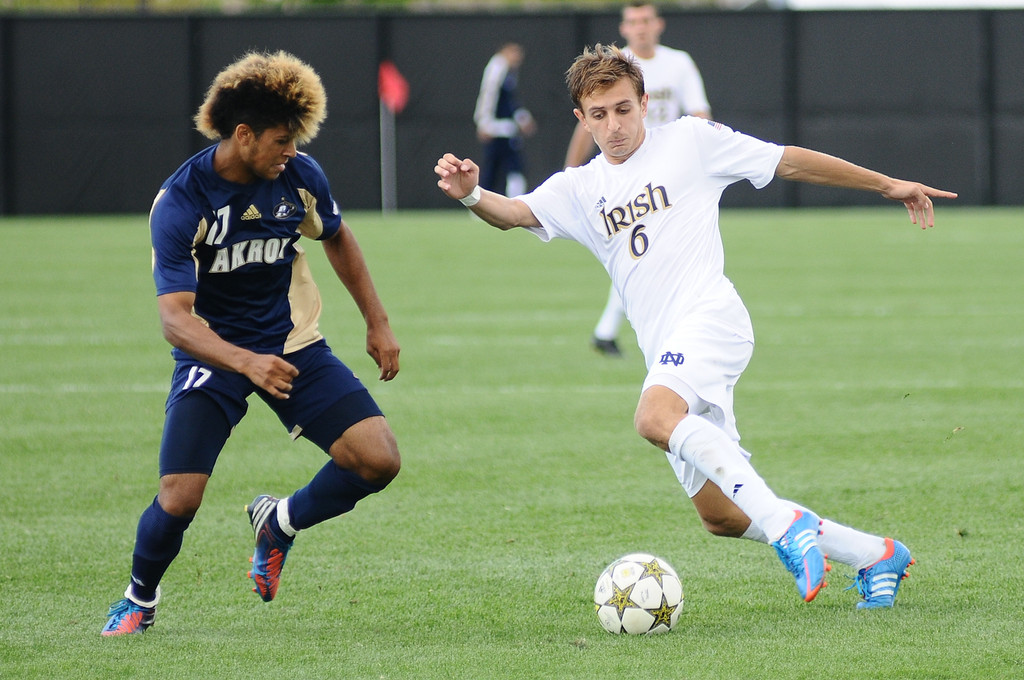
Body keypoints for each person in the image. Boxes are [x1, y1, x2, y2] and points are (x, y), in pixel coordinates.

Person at [435, 44, 957, 608]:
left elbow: (787, 160)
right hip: (666, 350)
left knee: (653, 417)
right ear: (581, 120)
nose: (613, 125)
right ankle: (875, 555)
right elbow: (512, 213)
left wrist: (886, 185)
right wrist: (472, 196)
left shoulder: (689, 141)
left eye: (623, 109)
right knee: (722, 516)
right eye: (599, 114)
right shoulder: (577, 189)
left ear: (644, 104)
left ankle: (786, 526)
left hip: (712, 320)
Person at [101, 51, 402, 636]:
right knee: (180, 497)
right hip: (212, 354)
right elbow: (175, 320)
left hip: (291, 344)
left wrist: (377, 321)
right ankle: (139, 599)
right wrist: (244, 363)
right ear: (243, 135)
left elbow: (337, 236)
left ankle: (280, 523)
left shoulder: (298, 177)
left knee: (378, 459)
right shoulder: (182, 201)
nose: (292, 151)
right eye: (283, 140)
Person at [565, 2, 712, 358]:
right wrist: (569, 171)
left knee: (643, 251)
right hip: (624, 173)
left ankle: (610, 331)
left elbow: (700, 114)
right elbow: (589, 120)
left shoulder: (678, 63)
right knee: (638, 250)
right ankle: (617, 333)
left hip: (669, 175)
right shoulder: (615, 67)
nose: (640, 27)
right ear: (624, 27)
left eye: (646, 20)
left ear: (658, 24)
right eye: (633, 21)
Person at [474, 41, 537, 198]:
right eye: (515, 54)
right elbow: (488, 96)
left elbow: (511, 102)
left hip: (506, 129)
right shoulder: (497, 67)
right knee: (499, 168)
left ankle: (511, 202)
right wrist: (484, 123)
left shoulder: (509, 73)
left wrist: (523, 119)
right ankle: (481, 203)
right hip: (497, 129)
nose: (517, 60)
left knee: (504, 168)